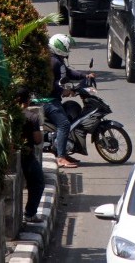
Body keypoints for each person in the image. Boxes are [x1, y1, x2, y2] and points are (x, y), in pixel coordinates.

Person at [45, 34, 94, 168]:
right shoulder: (52, 62)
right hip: (48, 101)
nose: (68, 49)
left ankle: (63, 152)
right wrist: (63, 91)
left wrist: (85, 76)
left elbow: (68, 73)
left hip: (54, 99)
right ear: (59, 47)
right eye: (66, 46)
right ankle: (60, 158)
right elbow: (50, 83)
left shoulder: (58, 61)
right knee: (65, 124)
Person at [17, 86, 45, 223]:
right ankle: (30, 213)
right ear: (27, 101)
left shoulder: (5, 115)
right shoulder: (32, 117)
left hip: (11, 156)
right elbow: (37, 140)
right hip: (26, 155)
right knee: (38, 182)